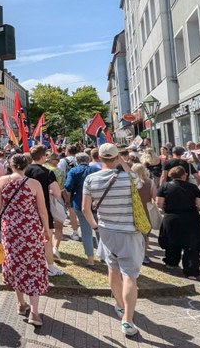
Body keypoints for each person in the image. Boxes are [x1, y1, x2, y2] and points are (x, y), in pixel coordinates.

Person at [82, 143, 144, 336]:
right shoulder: (130, 178)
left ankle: (118, 304)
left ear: (99, 158)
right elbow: (139, 181)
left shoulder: (91, 179)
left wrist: (95, 226)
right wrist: (122, 161)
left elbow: (85, 209)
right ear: (117, 158)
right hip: (128, 231)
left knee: (112, 268)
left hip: (106, 230)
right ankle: (127, 319)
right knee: (129, 275)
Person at [0, 154, 50, 327]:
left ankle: (20, 303)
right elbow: (42, 210)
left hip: (10, 228)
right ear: (26, 165)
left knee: (15, 263)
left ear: (11, 165)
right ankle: (34, 312)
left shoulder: (2, 181)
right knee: (33, 265)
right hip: (30, 229)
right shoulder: (34, 184)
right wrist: (46, 229)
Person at [156, 166, 200, 278]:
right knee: (191, 245)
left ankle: (171, 262)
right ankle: (191, 271)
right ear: (184, 175)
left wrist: (165, 209)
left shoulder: (165, 186)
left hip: (171, 217)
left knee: (172, 241)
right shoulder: (192, 187)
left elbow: (159, 203)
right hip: (190, 217)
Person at [24, 145, 64, 276]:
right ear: (43, 157)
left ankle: (30, 264)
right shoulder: (47, 172)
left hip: (26, 208)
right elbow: (57, 193)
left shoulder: (24, 170)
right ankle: (50, 266)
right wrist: (49, 191)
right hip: (43, 208)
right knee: (47, 237)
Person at [64, 152, 99, 267]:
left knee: (86, 232)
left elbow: (68, 188)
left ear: (76, 161)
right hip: (96, 203)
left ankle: (90, 259)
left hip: (80, 203)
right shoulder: (95, 169)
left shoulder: (73, 171)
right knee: (100, 230)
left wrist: (68, 201)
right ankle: (104, 255)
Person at [131, 163, 154, 265]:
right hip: (145, 210)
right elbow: (154, 197)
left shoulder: (130, 182)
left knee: (133, 234)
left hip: (132, 210)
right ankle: (144, 255)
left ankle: (134, 254)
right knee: (145, 235)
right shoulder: (150, 182)